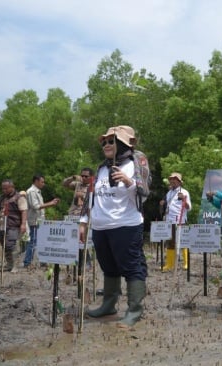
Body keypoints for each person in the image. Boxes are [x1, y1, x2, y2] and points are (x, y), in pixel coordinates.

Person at [80, 125, 147, 328]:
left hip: (126, 225)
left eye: (111, 141)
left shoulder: (136, 163)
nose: (106, 145)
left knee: (132, 267)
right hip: (101, 227)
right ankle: (109, 305)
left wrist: (128, 182)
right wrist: (83, 222)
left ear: (123, 144)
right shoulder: (102, 168)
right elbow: (91, 196)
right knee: (108, 267)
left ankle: (134, 310)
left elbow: (145, 193)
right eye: (104, 142)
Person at [0, 179, 28, 273]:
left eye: (6, 188)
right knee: (5, 245)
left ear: (12, 187)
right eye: (3, 188)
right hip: (2, 225)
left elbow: (24, 211)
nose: (4, 190)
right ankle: (9, 264)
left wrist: (23, 224)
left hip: (13, 225)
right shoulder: (1, 198)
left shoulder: (19, 197)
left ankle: (15, 265)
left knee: (11, 244)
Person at [24, 174, 60, 268]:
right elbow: (35, 206)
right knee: (33, 242)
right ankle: (27, 263)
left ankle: (43, 261)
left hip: (39, 220)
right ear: (36, 181)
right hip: (34, 221)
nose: (43, 184)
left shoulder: (37, 191)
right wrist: (51, 203)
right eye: (42, 182)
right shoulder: (31, 191)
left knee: (41, 241)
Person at [159, 172, 192, 272]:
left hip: (180, 220)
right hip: (169, 221)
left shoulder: (184, 192)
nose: (172, 181)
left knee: (183, 241)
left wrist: (184, 200)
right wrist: (163, 203)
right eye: (171, 179)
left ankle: (186, 263)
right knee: (170, 242)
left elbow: (189, 208)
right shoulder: (169, 193)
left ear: (179, 182)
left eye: (174, 179)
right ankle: (169, 264)